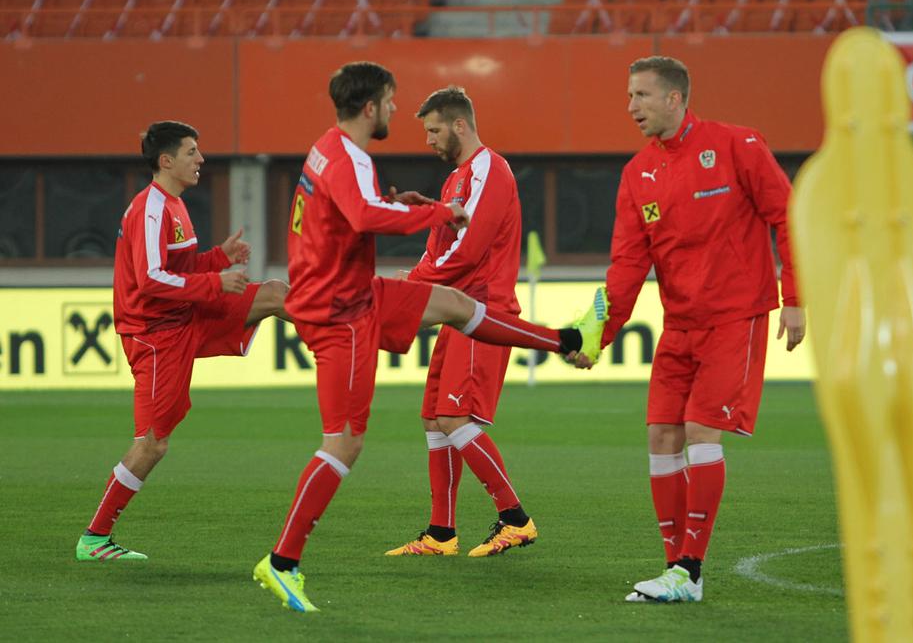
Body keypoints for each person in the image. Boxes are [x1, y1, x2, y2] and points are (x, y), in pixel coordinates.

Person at [252, 61, 606, 613]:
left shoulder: (330, 150)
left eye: (433, 128)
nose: (404, 118)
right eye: (393, 104)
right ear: (371, 106)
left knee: (451, 362)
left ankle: (564, 345)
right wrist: (435, 214)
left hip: (363, 295)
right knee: (356, 439)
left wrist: (416, 230)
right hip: (343, 306)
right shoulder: (357, 159)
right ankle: (284, 561)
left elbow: (452, 248)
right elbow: (370, 216)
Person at [599, 56, 806, 603]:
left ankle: (689, 569)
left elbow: (788, 216)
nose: (631, 107)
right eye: (629, 97)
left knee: (699, 433)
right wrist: (596, 333)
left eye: (641, 96)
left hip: (733, 319)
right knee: (660, 437)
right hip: (678, 326)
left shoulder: (738, 146)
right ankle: (675, 570)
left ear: (674, 98)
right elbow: (625, 266)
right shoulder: (636, 173)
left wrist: (796, 299)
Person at [76, 121, 289, 562]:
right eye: (192, 152)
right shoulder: (149, 208)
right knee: (152, 443)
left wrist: (218, 259)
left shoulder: (173, 205)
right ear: (166, 161)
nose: (201, 159)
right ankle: (95, 539)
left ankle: (354, 328)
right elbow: (151, 279)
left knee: (272, 293)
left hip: (185, 316)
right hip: (156, 336)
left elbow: (182, 268)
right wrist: (215, 280)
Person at [383, 86, 538, 559]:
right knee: (434, 417)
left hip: (482, 311)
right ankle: (441, 534)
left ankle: (516, 519)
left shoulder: (490, 168)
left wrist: (411, 283)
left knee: (454, 416)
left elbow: (469, 251)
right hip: (456, 309)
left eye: (433, 129)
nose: (428, 139)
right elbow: (443, 248)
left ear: (459, 125)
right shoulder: (456, 182)